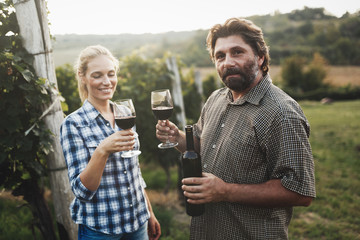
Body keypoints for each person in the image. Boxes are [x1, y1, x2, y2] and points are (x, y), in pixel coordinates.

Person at [156, 18, 316, 239]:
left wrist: (225, 192)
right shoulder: (216, 98)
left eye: (237, 52)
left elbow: (299, 192)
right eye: (220, 56)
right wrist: (178, 138)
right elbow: (204, 148)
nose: (227, 62)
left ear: (260, 57)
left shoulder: (281, 113)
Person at [60, 45, 161, 240]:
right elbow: (82, 191)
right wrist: (102, 151)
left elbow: (134, 173)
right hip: (101, 228)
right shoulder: (74, 124)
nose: (106, 82)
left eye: (111, 74)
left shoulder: (124, 114)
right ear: (82, 76)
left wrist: (149, 213)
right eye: (97, 75)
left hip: (137, 223)